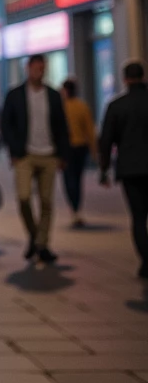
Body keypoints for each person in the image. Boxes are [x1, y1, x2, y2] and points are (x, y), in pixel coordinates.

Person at [1, 53, 69, 265]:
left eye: (43, 68)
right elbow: (6, 124)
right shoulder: (15, 95)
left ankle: (42, 244)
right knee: (23, 198)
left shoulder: (53, 95)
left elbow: (61, 126)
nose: (39, 72)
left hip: (49, 154)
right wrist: (14, 151)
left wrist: (63, 154)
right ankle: (34, 234)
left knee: (47, 202)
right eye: (36, 68)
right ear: (28, 69)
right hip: (25, 155)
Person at [99, 60, 148, 277]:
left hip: (130, 168)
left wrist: (103, 168)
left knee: (138, 217)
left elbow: (107, 140)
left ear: (125, 79)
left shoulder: (116, 106)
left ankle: (146, 261)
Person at [61, 77, 97, 228]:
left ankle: (74, 208)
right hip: (81, 148)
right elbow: (90, 130)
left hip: (66, 148)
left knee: (69, 179)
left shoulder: (61, 107)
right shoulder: (82, 106)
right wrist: (95, 151)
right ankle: (76, 209)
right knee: (77, 177)